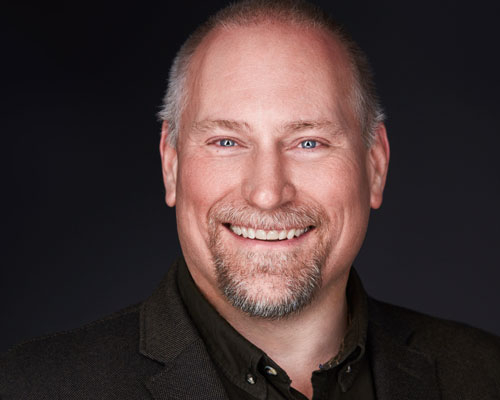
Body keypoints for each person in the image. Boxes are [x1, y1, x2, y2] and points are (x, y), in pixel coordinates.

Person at [1, 0, 499, 399]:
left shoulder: (484, 375)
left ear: (375, 165)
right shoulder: (30, 389)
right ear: (171, 164)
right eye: (226, 141)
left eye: (308, 142)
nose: (266, 193)